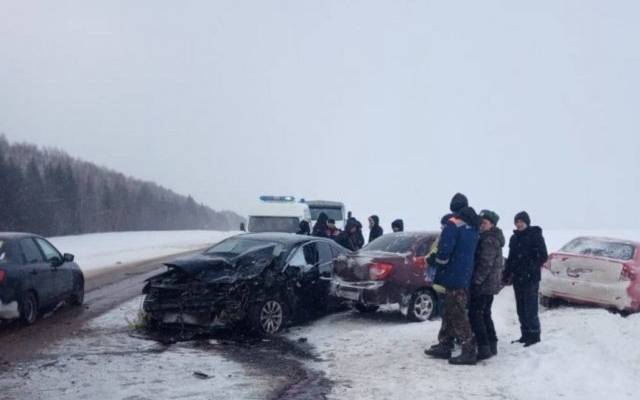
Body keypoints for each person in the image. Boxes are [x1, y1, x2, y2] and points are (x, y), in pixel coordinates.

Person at [425, 193, 480, 365]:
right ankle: (445, 343)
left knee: (456, 312)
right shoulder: (474, 225)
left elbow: (444, 250)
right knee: (450, 310)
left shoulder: (453, 223)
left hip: (452, 273)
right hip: (465, 273)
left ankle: (469, 350)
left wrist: (439, 262)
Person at [503, 211, 548, 347]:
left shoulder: (535, 235)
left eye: (521, 221)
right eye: (517, 222)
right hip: (518, 278)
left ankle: (534, 335)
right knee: (521, 308)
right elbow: (510, 258)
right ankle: (525, 334)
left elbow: (543, 256)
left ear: (527, 222)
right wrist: (506, 273)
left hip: (531, 278)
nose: (519, 224)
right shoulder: (514, 238)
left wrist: (530, 268)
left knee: (530, 308)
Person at [468, 210, 505, 360]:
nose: (482, 225)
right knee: (484, 314)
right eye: (481, 222)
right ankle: (491, 343)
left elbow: (485, 264)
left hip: (484, 284)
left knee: (476, 314)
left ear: (492, 224)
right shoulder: (491, 237)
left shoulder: (488, 239)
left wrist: (476, 281)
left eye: (485, 223)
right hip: (489, 283)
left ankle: (484, 347)